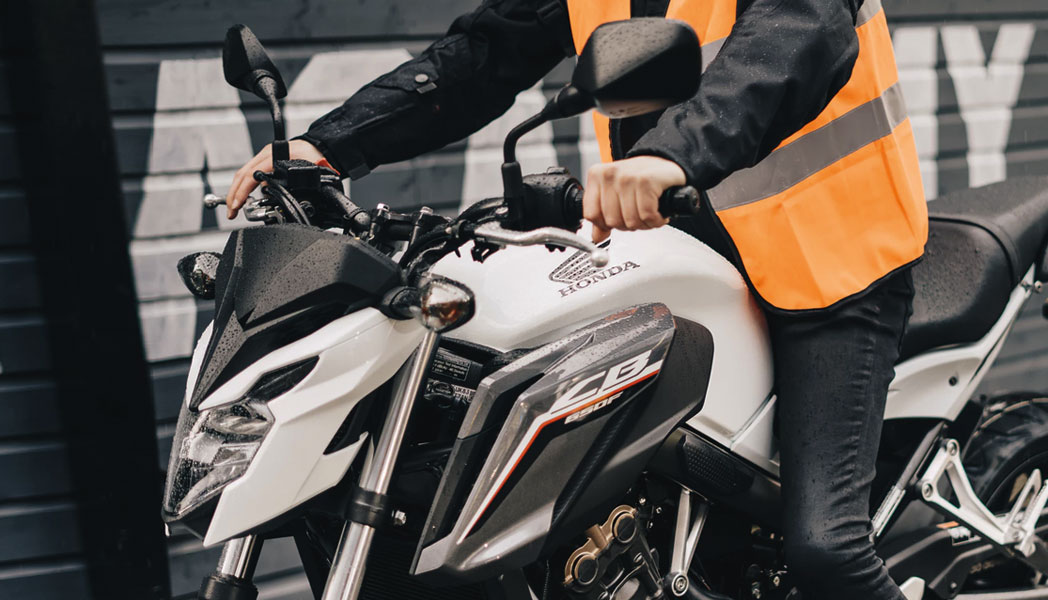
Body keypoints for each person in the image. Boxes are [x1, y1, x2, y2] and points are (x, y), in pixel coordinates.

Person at [228, 1, 927, 598]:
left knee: (825, 548)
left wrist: (671, 155)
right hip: (676, 256)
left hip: (827, 255)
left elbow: (799, 32)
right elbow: (485, 51)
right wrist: (328, 146)